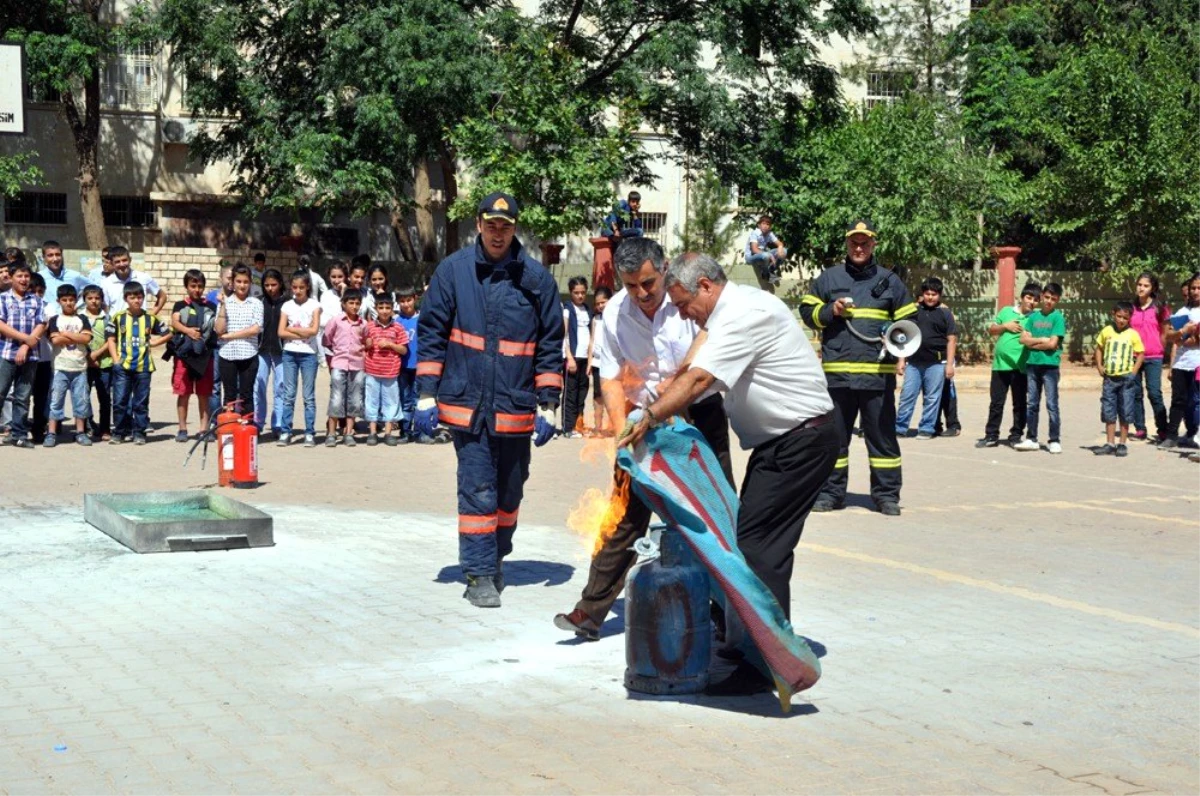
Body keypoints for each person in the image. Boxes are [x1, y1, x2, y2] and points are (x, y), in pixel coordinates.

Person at [619, 252, 837, 696]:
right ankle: (750, 642)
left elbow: (699, 381)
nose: (681, 313)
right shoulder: (727, 315)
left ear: (704, 286)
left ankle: (766, 667)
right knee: (749, 541)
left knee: (759, 549)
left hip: (802, 441)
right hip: (780, 443)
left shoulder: (744, 315)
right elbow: (695, 368)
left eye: (682, 303)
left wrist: (650, 415)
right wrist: (666, 403)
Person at [554, 237, 734, 640]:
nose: (642, 294)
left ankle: (727, 614)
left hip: (696, 414)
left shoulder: (688, 299)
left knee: (713, 517)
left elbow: (703, 359)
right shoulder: (616, 312)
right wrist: (622, 434)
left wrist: (670, 400)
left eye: (649, 283)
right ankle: (590, 611)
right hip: (640, 422)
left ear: (664, 267)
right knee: (624, 518)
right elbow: (611, 378)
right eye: (631, 285)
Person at [413, 191, 565, 608]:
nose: (498, 234)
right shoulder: (453, 273)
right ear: (478, 225)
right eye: (491, 225)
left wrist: (548, 402)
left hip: (515, 405)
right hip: (468, 404)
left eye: (506, 226)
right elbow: (431, 334)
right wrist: (426, 395)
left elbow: (550, 343)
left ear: (515, 229)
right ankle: (478, 573)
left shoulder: (536, 280)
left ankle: (496, 554)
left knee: (510, 492)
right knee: (477, 488)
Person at [799, 220, 915, 516]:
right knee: (835, 440)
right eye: (854, 243)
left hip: (877, 376)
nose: (859, 248)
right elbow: (806, 312)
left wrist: (893, 331)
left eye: (865, 243)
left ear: (874, 244)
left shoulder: (891, 281)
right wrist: (829, 310)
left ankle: (887, 495)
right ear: (847, 245)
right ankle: (830, 494)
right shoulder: (829, 278)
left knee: (883, 439)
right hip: (838, 376)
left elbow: (910, 324)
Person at [106, 282, 170, 444]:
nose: (136, 300)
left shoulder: (150, 318)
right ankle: (119, 432)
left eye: (139, 297)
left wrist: (155, 343)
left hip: (144, 367)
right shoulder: (118, 318)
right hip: (123, 367)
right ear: (126, 298)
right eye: (132, 297)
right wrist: (115, 360)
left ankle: (139, 432)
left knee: (140, 402)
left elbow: (169, 333)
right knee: (120, 401)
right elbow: (111, 339)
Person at [977, 283, 1040, 448]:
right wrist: (1006, 326)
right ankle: (991, 435)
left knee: (1019, 403)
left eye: (1035, 300)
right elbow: (991, 329)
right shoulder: (1006, 311)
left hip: (1022, 367)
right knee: (996, 402)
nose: (1031, 302)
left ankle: (1016, 435)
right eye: (1029, 297)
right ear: (1022, 297)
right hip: (1000, 365)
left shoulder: (1036, 318)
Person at [895, 277, 956, 440]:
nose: (930, 297)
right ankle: (900, 428)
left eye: (934, 294)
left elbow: (951, 339)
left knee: (932, 398)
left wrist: (949, 364)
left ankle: (927, 429)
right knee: (907, 395)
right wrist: (901, 360)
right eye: (927, 293)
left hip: (936, 364)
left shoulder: (945, 314)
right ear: (922, 294)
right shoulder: (913, 312)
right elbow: (903, 336)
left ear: (940, 295)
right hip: (913, 363)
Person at [1014, 283, 1066, 454]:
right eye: (1047, 297)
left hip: (1050, 367)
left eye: (1053, 299)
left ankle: (1054, 439)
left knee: (1051, 404)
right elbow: (1023, 340)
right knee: (1032, 403)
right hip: (1032, 365)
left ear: (1057, 300)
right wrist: (1042, 340)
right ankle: (1031, 438)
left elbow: (1053, 344)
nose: (1049, 301)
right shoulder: (1033, 317)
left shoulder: (1058, 318)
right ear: (1042, 296)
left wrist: (1037, 342)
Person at [0, 263, 47, 448]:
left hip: (30, 356)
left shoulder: (36, 301)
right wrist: (25, 339)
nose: (24, 280)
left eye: (26, 276)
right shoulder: (3, 299)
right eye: (19, 276)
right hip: (5, 353)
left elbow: (41, 324)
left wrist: (26, 347)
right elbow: (1, 325)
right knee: (1, 392)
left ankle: (18, 434)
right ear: (11, 278)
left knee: (23, 396)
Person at [168, 269, 218, 442]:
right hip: (184, 356)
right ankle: (182, 428)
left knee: (204, 393)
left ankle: (203, 429)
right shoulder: (180, 305)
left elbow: (216, 326)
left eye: (200, 286)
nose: (197, 289)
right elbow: (174, 321)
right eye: (193, 286)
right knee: (184, 393)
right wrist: (188, 331)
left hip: (205, 356)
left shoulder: (210, 306)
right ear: (186, 287)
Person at [44, 285, 94, 447]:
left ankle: (80, 432)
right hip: (60, 367)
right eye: (64, 300)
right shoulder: (54, 320)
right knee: (55, 401)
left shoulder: (82, 319)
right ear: (59, 301)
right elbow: (55, 340)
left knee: (81, 401)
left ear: (76, 301)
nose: (68, 303)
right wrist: (76, 337)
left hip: (79, 367)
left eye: (71, 300)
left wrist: (64, 334)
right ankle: (51, 432)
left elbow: (86, 339)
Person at [1093, 301, 1144, 457]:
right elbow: (1099, 348)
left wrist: (1133, 373)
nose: (1121, 320)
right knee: (1109, 410)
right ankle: (1109, 443)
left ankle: (1122, 443)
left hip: (1126, 380)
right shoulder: (1107, 331)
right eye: (1119, 316)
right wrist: (1099, 366)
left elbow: (1140, 353)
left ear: (1130, 319)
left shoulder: (1133, 334)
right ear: (1113, 314)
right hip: (1110, 379)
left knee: (1125, 410)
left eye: (1125, 318)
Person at [278, 271, 322, 447]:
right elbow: (281, 332)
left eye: (301, 287)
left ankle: (309, 432)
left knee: (308, 396)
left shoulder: (314, 305)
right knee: (288, 395)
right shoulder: (287, 306)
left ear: (308, 287)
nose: (297, 290)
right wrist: (302, 332)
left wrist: (292, 331)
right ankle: (285, 431)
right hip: (289, 353)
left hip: (309, 355)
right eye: (294, 287)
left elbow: (314, 331)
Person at [214, 264, 263, 418]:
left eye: (246, 282)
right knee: (229, 396)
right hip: (227, 355)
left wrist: (230, 336)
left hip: (248, 355)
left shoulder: (256, 303)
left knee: (246, 395)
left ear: (250, 283)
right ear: (233, 283)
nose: (242, 285)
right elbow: (219, 330)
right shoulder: (225, 303)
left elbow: (255, 329)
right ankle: (229, 432)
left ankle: (246, 431)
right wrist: (222, 305)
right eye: (239, 281)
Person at [321, 290, 367, 447]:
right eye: (351, 303)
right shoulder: (336, 321)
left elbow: (367, 342)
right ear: (343, 304)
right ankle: (332, 433)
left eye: (357, 304)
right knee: (337, 398)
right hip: (339, 364)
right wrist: (336, 353)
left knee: (355, 399)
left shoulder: (363, 324)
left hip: (357, 365)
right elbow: (326, 339)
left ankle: (349, 432)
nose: (354, 307)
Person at [1159, 273, 1200, 450]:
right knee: (1178, 401)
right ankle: (1171, 435)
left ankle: (1194, 434)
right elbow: (1168, 336)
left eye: (1199, 288)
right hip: (1182, 363)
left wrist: (1185, 337)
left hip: (1198, 364)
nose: (1196, 291)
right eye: (1193, 288)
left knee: (1196, 402)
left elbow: (1191, 340)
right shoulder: (1183, 312)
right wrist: (1184, 331)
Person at [364, 292, 409, 445]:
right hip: (372, 371)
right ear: (376, 308)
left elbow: (403, 350)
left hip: (391, 372)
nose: (384, 310)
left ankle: (388, 433)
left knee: (391, 401)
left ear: (392, 309)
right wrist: (367, 344)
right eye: (381, 307)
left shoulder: (398, 328)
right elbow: (362, 346)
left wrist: (390, 344)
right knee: (372, 401)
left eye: (387, 307)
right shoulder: (369, 327)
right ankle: (372, 432)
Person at [1129, 272, 1170, 441]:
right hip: (1133, 356)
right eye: (1139, 284)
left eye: (1145, 285)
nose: (1141, 288)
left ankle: (1162, 428)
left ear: (1152, 288)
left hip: (1154, 356)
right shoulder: (1131, 307)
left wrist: (1160, 348)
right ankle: (1140, 428)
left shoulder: (1160, 308)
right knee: (1136, 393)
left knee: (1154, 393)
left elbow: (1165, 332)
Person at [254, 269, 287, 437]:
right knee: (259, 384)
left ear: (280, 284)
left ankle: (278, 423)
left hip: (282, 352)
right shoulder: (259, 302)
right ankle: (258, 422)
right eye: (266, 285)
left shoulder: (288, 303)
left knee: (280, 387)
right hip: (262, 351)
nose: (270, 288)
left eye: (273, 284)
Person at [561, 276, 592, 439]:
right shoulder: (567, 309)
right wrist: (569, 357)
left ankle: (579, 425)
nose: (580, 296)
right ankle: (567, 427)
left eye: (583, 292)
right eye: (576, 292)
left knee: (582, 393)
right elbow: (563, 334)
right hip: (572, 357)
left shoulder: (588, 309)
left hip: (585, 358)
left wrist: (590, 358)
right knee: (570, 394)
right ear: (570, 293)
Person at [81, 285, 112, 441]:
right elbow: (77, 340)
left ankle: (105, 428)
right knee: (83, 396)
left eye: (97, 298)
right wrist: (88, 357)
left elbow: (111, 340)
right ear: (84, 300)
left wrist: (96, 355)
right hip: (83, 364)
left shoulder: (107, 318)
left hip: (104, 363)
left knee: (105, 397)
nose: (94, 301)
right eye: (90, 298)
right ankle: (87, 425)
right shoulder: (80, 317)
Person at [102, 247, 167, 316]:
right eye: (117, 262)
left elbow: (162, 296)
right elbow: (104, 306)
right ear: (112, 263)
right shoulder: (106, 283)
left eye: (124, 260)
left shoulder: (143, 277)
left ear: (130, 260)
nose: (122, 264)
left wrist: (151, 317)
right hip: (117, 325)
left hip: (141, 325)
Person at [28, 274, 54, 443]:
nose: (37, 295)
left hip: (44, 358)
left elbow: (47, 326)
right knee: (21, 395)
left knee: (42, 396)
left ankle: (39, 427)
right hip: (25, 358)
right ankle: (19, 426)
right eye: (33, 291)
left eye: (40, 291)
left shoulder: (48, 307)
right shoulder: (23, 306)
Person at [395, 284, 422, 443]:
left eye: (408, 300)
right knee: (405, 399)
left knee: (417, 400)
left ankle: (419, 431)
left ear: (415, 299)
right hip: (402, 367)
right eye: (402, 301)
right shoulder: (396, 321)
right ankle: (405, 431)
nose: (406, 304)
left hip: (419, 365)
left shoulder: (422, 319)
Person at [588, 286, 614, 437]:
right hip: (598, 363)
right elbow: (592, 341)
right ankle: (597, 428)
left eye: (603, 302)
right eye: (597, 304)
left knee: (612, 395)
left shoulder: (618, 318)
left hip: (612, 363)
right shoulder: (595, 320)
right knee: (597, 397)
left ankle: (613, 427)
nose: (600, 306)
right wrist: (590, 361)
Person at [38, 241, 91, 307]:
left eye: (58, 255)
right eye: (50, 255)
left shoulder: (75, 276)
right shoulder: (39, 278)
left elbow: (95, 289)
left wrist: (79, 305)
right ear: (44, 258)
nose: (55, 259)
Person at [319, 262, 349, 368]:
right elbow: (323, 322)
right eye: (333, 277)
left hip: (349, 346)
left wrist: (344, 294)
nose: (336, 281)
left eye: (340, 276)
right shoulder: (326, 295)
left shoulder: (351, 293)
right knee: (335, 381)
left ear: (346, 277)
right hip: (331, 347)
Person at [744, 215, 787, 286]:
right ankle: (765, 272)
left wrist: (780, 248)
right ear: (759, 225)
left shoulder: (769, 234)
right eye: (763, 224)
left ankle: (771, 270)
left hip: (762, 255)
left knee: (784, 251)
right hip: (751, 257)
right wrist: (770, 255)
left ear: (770, 227)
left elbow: (780, 244)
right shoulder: (755, 233)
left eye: (767, 224)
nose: (765, 226)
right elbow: (754, 250)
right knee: (766, 255)